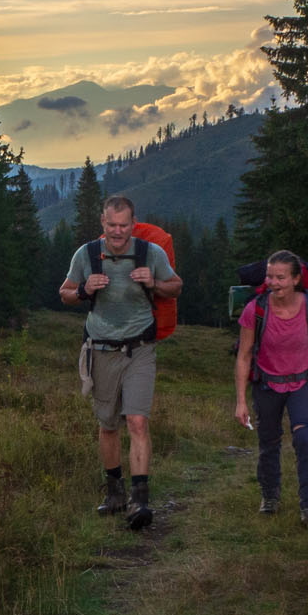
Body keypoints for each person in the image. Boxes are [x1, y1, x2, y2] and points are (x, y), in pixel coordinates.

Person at [60, 196, 182, 529]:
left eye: (124, 225)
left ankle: (140, 500)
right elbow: (65, 292)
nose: (117, 232)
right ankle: (114, 493)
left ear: (133, 222)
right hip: (100, 349)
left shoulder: (150, 253)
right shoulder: (86, 254)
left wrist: (154, 283)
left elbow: (175, 286)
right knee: (108, 424)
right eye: (112, 225)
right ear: (102, 222)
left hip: (140, 347)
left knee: (138, 422)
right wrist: (84, 290)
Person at [233, 250, 308, 526]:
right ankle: (270, 495)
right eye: (269, 276)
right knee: (268, 442)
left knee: (304, 439)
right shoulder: (255, 310)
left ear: (295, 279)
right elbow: (244, 356)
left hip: (303, 382)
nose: (273, 282)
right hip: (267, 385)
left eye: (280, 277)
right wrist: (241, 401)